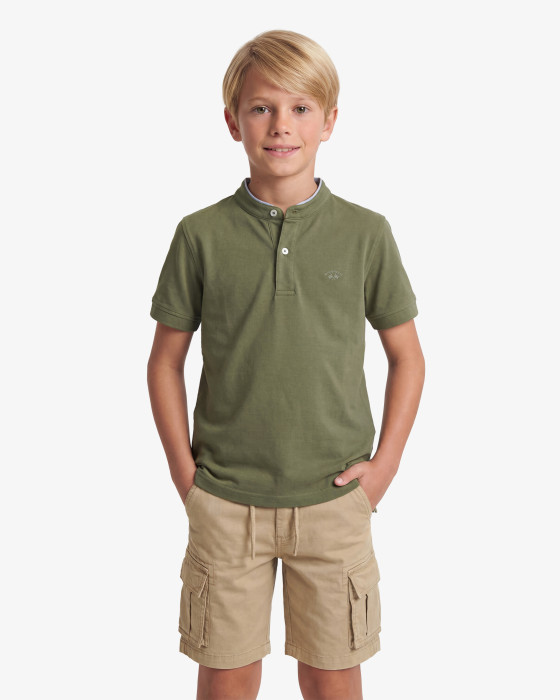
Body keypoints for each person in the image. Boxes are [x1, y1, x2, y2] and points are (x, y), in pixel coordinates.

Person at [147, 29, 425, 700]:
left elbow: (407, 356)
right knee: (227, 678)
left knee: (332, 678)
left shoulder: (366, 233)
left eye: (301, 108)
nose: (281, 125)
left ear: (330, 121)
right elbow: (164, 362)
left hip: (334, 500)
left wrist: (383, 470)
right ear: (232, 121)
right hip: (225, 502)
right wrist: (187, 478)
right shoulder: (199, 235)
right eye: (261, 108)